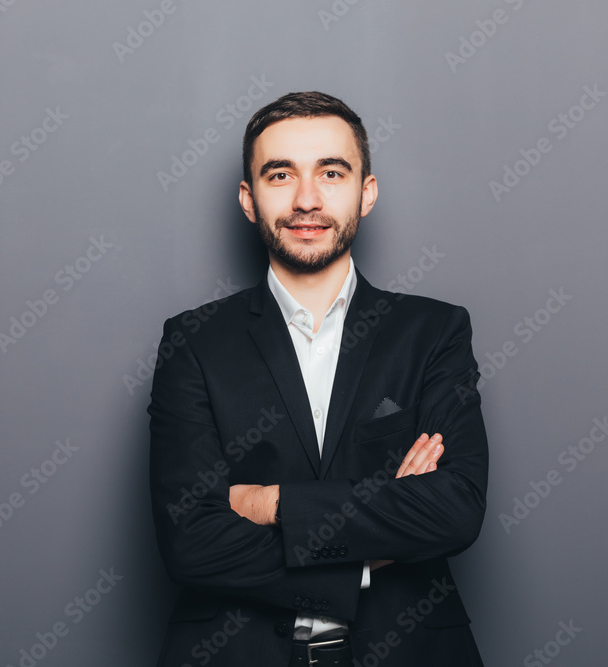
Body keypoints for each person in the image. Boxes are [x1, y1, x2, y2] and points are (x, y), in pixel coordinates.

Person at [148, 91, 488, 666]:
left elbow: (453, 508)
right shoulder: (193, 342)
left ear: (366, 192)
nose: (307, 199)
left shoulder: (434, 331)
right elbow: (192, 542)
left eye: (331, 173)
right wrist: (366, 556)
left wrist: (271, 501)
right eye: (280, 175)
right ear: (248, 199)